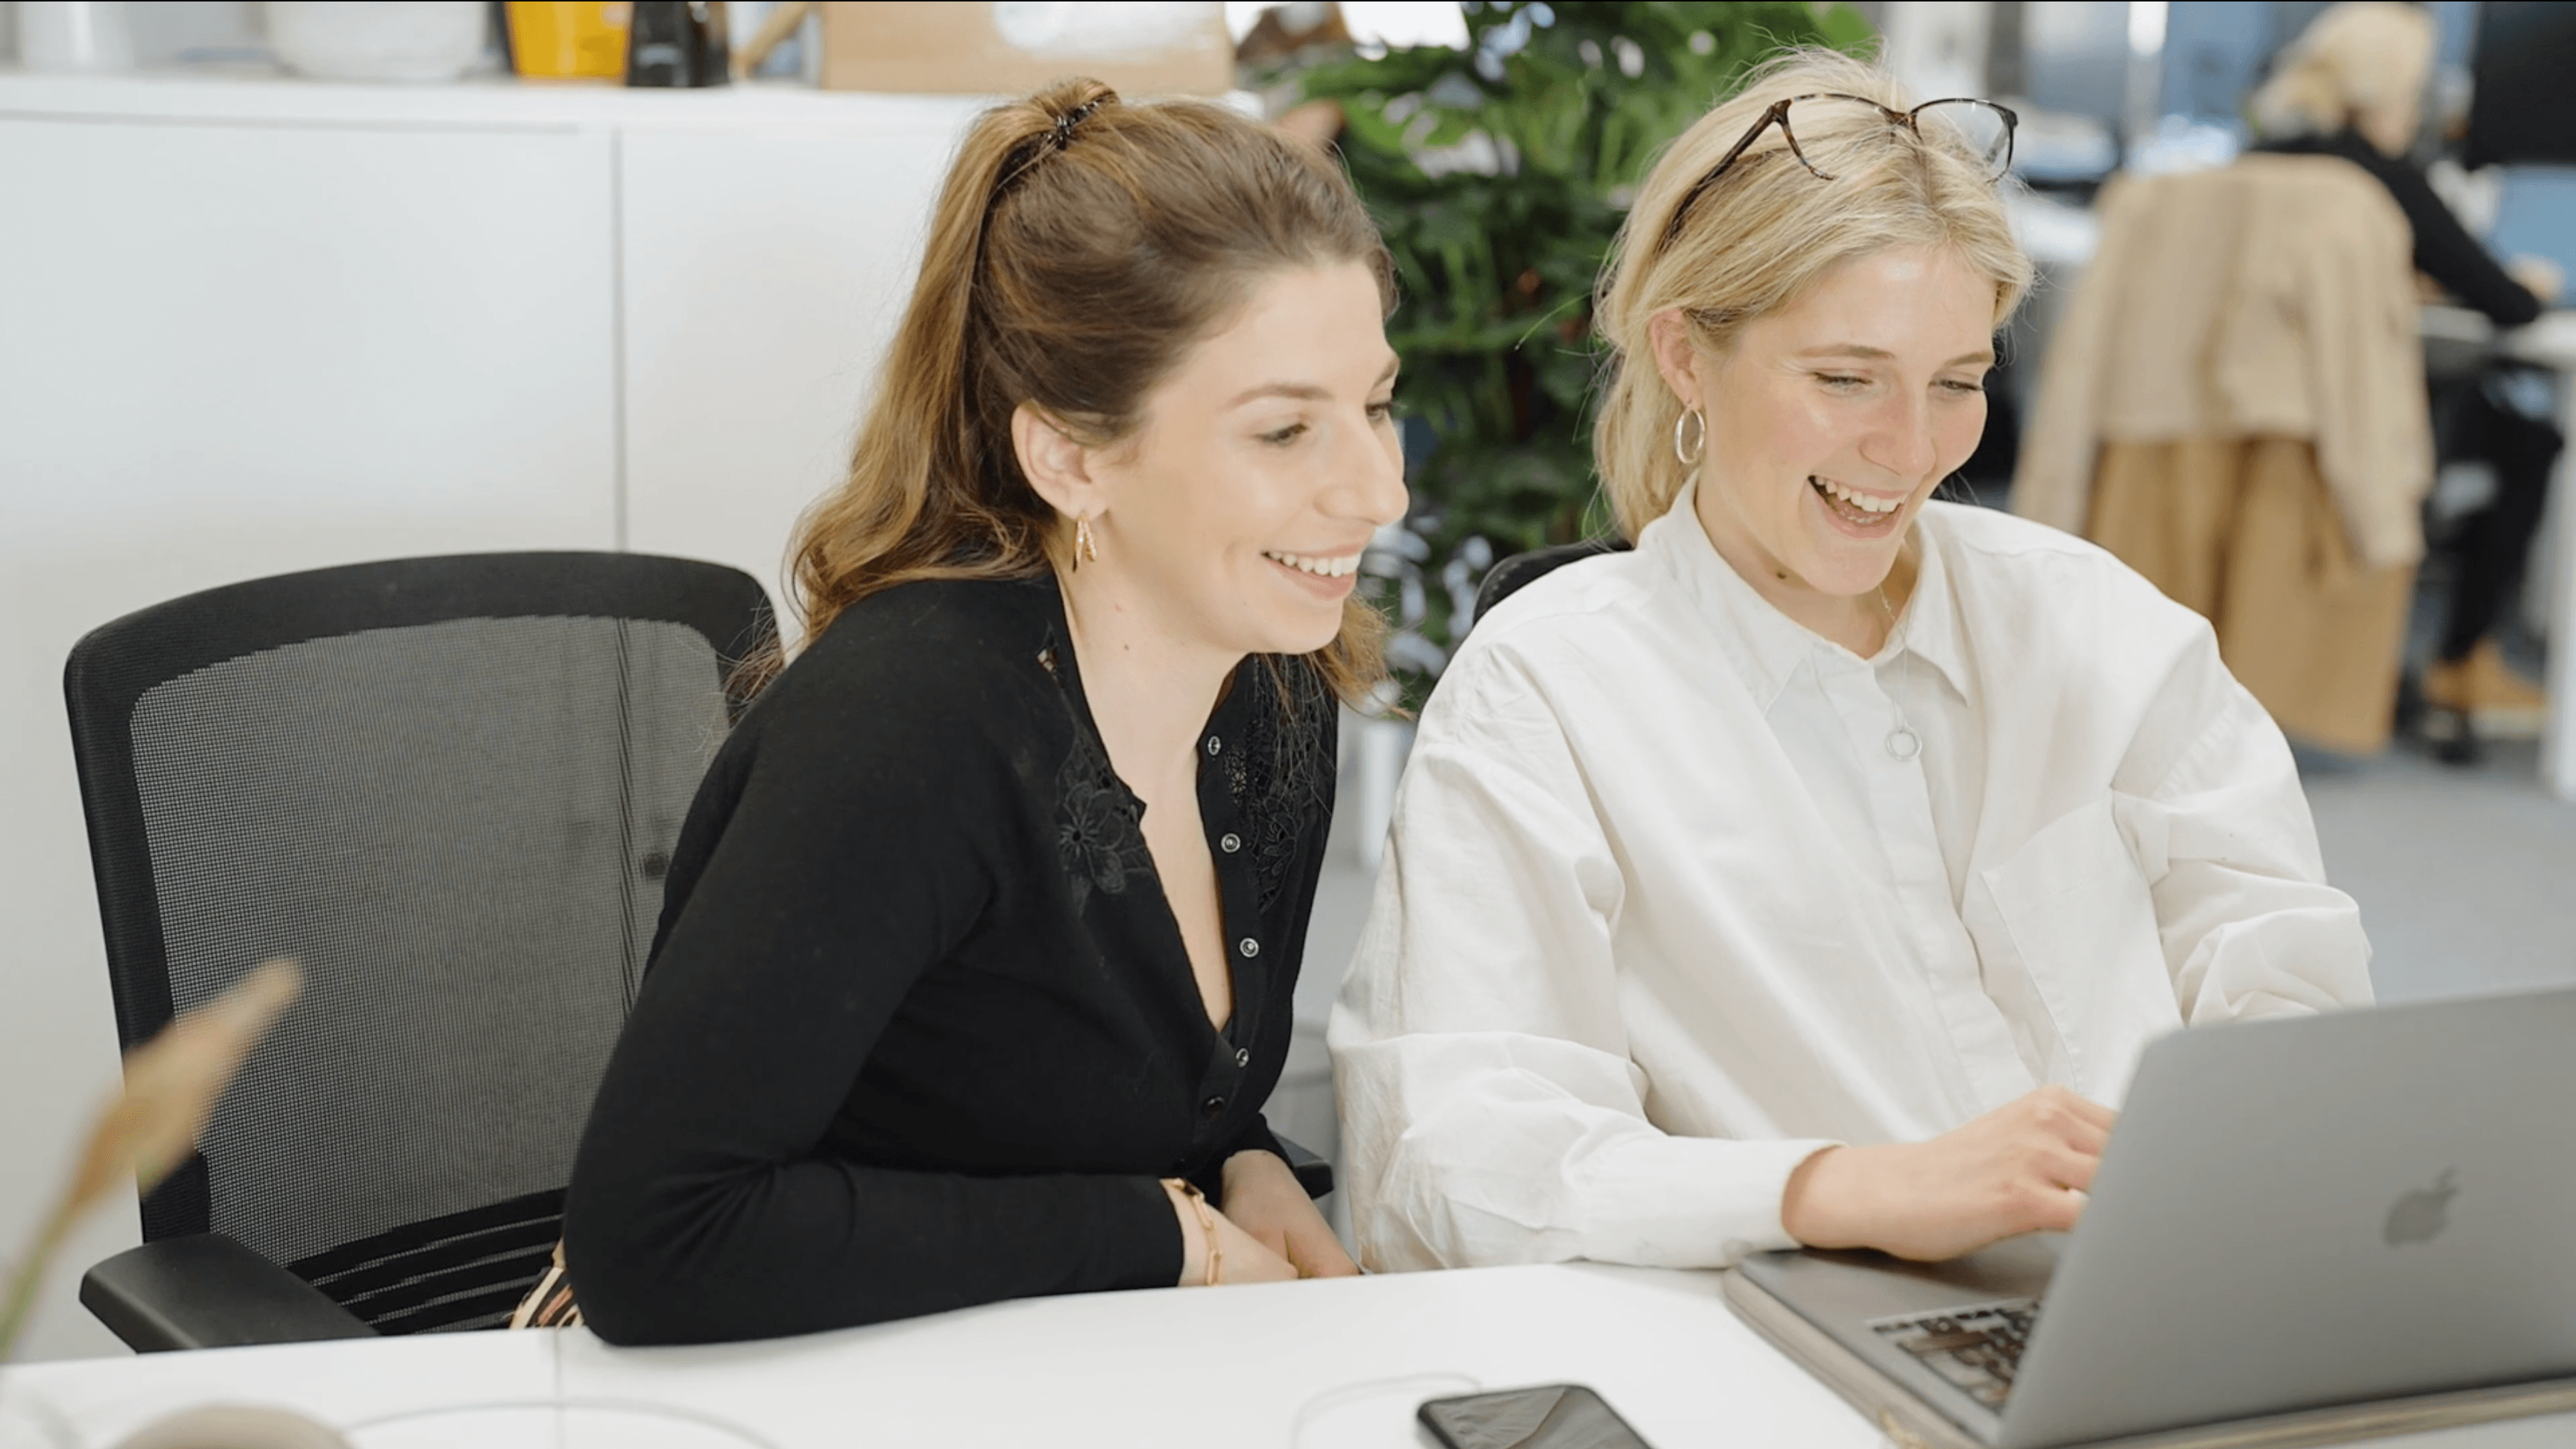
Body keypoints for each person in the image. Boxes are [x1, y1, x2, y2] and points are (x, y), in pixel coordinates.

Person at [1329, 51, 2375, 1275]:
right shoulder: (1551, 689)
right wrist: (1842, 1186)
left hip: (2165, 1297)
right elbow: (1451, 1161)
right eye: (1844, 378)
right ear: (1683, 356)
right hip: (1808, 1342)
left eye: (1958, 383)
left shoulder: (2095, 627)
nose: (1910, 446)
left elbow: (2289, 989)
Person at [547, 79, 1407, 1344]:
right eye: (1285, 429)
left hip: (1040, 1367)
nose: (1377, 488)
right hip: (740, 1376)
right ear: (1069, 456)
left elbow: (1135, 1088)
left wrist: (1245, 1164)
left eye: (1377, 403)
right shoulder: (911, 728)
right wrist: (1161, 1231)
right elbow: (657, 1240)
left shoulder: (1272, 677)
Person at [2250, 1, 2565, 748]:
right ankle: (2465, 659)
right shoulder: (2377, 174)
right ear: (2395, 89)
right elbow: (2507, 301)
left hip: (2262, 418)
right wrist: (2534, 284)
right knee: (2530, 440)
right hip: (2356, 428)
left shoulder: (2260, 157)